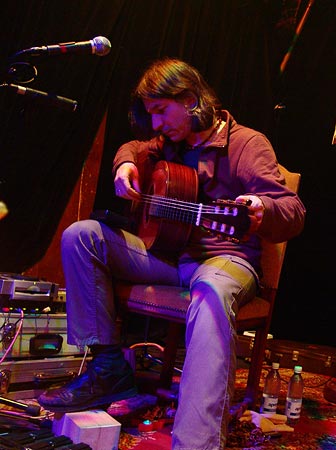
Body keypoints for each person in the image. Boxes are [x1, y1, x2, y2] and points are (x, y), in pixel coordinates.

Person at [37, 57, 306, 449]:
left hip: (224, 259)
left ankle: (196, 442)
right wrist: (125, 165)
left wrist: (263, 209)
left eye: (162, 111)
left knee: (212, 292)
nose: (157, 124)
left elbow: (293, 211)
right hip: (167, 258)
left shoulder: (247, 143)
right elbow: (132, 146)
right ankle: (109, 366)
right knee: (82, 236)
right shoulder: (169, 144)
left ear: (191, 98)